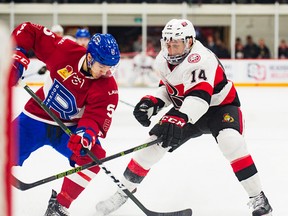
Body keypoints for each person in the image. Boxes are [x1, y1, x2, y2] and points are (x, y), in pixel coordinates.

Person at [95, 19, 273, 216]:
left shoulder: (201, 59)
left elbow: (200, 97)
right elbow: (170, 89)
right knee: (152, 145)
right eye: (168, 44)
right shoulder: (163, 60)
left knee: (231, 141)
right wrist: (153, 102)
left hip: (220, 107)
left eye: (176, 44)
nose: (171, 49)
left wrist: (179, 118)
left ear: (189, 42)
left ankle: (259, 198)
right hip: (186, 108)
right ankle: (124, 191)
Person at [10, 22, 120, 216]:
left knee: (94, 157)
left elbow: (95, 118)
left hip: (68, 130)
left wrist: (85, 135)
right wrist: (17, 54)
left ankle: (59, 206)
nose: (106, 72)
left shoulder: (108, 87)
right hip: (36, 117)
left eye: (111, 67)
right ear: (89, 57)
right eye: (102, 66)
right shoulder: (65, 51)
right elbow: (28, 30)